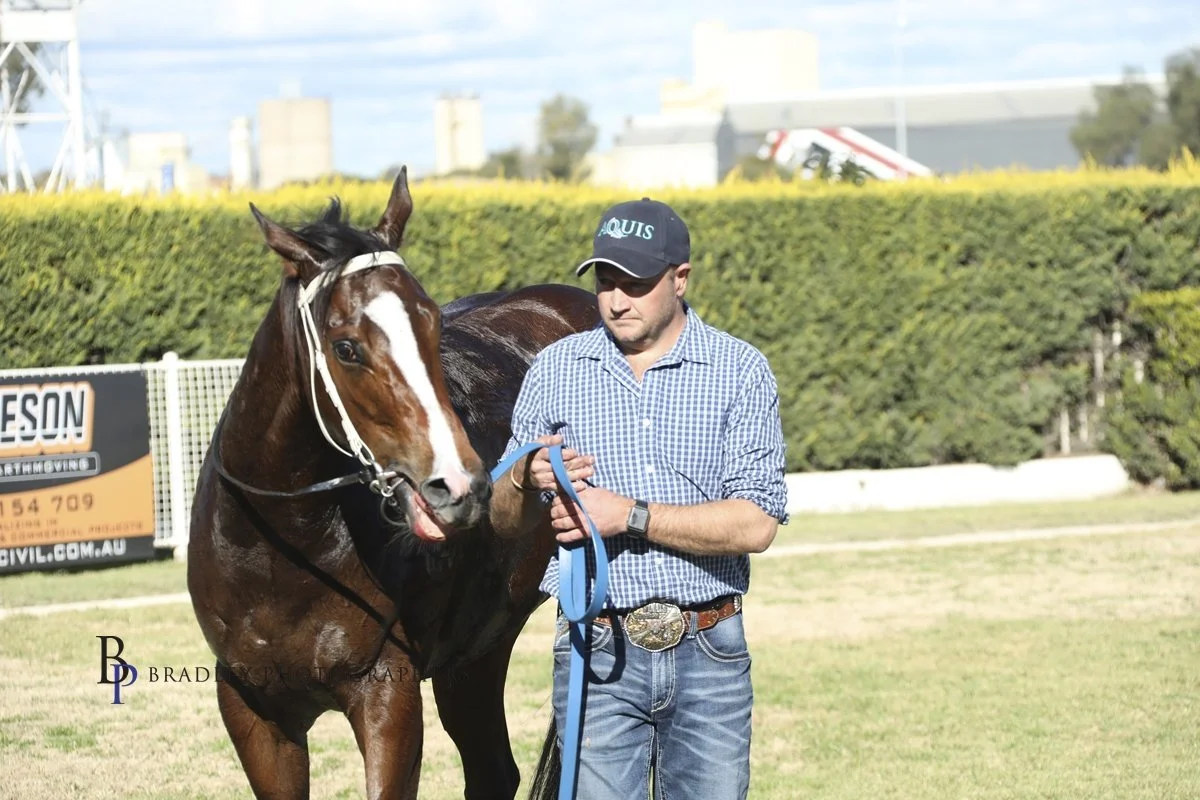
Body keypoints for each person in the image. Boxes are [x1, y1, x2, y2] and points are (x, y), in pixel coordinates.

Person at [495, 198, 789, 799]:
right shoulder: (554, 370)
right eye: (606, 282)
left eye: (636, 283)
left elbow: (757, 522)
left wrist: (627, 515)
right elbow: (501, 518)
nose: (616, 300)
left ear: (680, 279)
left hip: (711, 650)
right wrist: (526, 475)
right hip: (596, 648)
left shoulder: (740, 370)